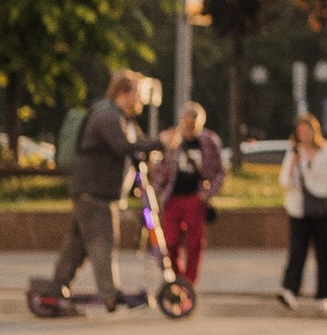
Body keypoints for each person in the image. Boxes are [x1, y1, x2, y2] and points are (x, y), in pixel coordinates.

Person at [46, 72, 149, 310]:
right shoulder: (106, 115)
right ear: (126, 93)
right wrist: (159, 143)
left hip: (92, 191)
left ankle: (54, 290)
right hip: (95, 193)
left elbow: (135, 144)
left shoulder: (120, 117)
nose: (140, 99)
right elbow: (122, 146)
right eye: (138, 94)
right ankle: (110, 295)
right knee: (104, 242)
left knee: (77, 246)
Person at [278, 111, 327, 312]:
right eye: (300, 131)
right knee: (297, 252)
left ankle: (325, 295)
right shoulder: (294, 152)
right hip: (299, 210)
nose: (304, 135)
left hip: (321, 211)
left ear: (315, 131)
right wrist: (293, 163)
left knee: (324, 253)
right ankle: (289, 291)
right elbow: (285, 181)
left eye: (307, 131)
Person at [151, 101, 226, 293]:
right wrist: (156, 189)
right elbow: (161, 167)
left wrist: (206, 194)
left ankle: (189, 286)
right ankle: (178, 280)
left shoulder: (209, 141)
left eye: (193, 124)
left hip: (195, 198)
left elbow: (219, 172)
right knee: (170, 242)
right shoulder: (173, 140)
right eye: (186, 123)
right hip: (173, 198)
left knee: (194, 244)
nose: (190, 128)